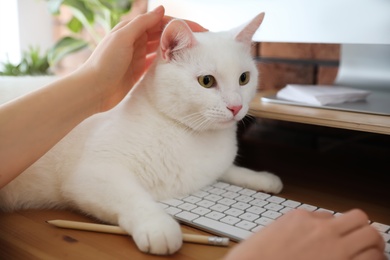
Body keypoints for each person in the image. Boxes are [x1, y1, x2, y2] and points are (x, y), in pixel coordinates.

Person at [0, 6, 385, 260]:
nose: (235, 103)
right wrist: (141, 215)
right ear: (170, 52)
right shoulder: (137, 119)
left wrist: (229, 173)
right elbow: (88, 177)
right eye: (207, 80)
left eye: (244, 78)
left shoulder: (215, 131)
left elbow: (185, 165)